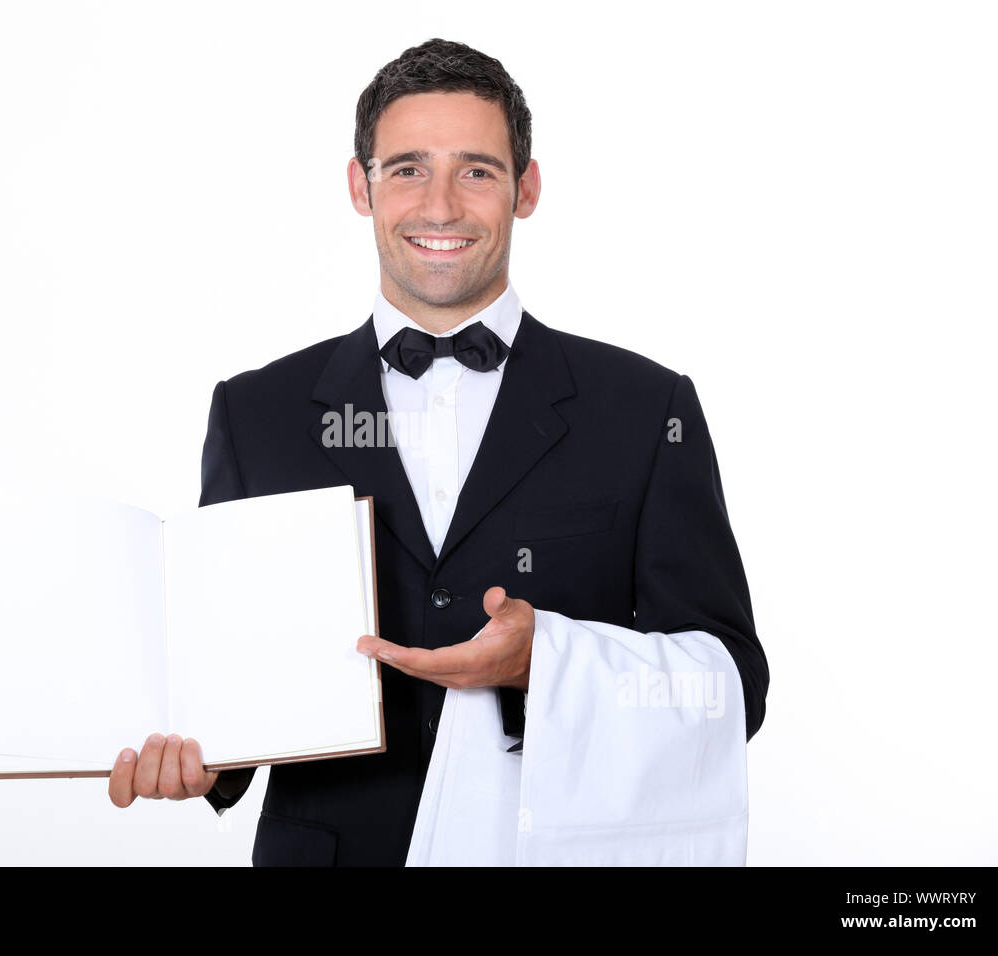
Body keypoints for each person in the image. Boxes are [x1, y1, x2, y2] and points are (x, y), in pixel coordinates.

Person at [107, 37, 769, 866]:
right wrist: (199, 766)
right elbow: (229, 674)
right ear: (362, 185)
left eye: (478, 171)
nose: (443, 207)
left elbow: (733, 687)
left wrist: (550, 663)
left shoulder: (645, 407)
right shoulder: (255, 413)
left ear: (526, 189)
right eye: (408, 168)